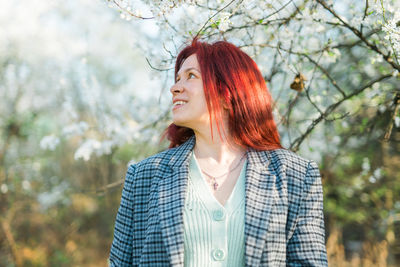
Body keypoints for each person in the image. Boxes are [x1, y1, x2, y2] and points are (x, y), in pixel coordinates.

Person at [109, 38, 328, 266]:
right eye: (177, 79)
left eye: (191, 76)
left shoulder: (296, 175)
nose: (174, 87)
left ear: (227, 92)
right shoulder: (144, 176)